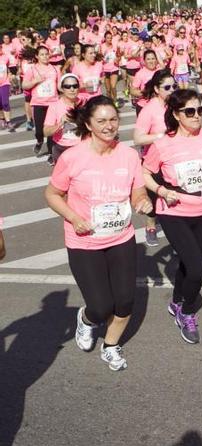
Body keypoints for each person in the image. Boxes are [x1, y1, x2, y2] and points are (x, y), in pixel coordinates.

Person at [44, 95, 153, 371]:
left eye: (113, 119)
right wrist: (73, 217)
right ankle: (87, 320)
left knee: (126, 300)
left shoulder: (128, 155)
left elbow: (137, 190)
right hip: (84, 241)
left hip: (121, 238)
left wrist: (142, 201)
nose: (109, 126)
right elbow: (53, 194)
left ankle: (111, 345)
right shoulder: (72, 157)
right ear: (89, 124)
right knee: (101, 305)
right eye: (101, 121)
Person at [141, 89, 202, 344]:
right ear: (177, 115)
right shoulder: (162, 143)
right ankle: (186, 311)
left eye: (200, 110)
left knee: (187, 263)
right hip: (174, 210)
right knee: (199, 268)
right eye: (189, 111)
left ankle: (177, 300)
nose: (196, 116)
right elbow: (144, 173)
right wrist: (160, 190)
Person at [133, 69, 178, 247]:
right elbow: (138, 138)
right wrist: (161, 136)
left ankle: (175, 230)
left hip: (174, 159)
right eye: (167, 87)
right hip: (154, 161)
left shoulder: (176, 105)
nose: (172, 89)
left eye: (174, 86)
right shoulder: (149, 109)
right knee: (153, 197)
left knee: (174, 194)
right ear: (157, 89)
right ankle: (151, 226)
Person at [22, 45, 60, 157]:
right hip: (38, 104)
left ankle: (51, 153)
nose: (45, 56)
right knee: (39, 131)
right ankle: (39, 141)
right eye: (42, 54)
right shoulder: (32, 69)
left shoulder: (55, 68)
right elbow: (24, 85)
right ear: (37, 56)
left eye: (46, 54)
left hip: (53, 103)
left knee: (50, 130)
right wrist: (35, 81)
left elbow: (59, 86)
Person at [43, 73, 85, 164]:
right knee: (63, 177)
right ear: (62, 89)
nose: (72, 89)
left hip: (81, 147)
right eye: (67, 86)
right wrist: (60, 123)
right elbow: (46, 132)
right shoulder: (54, 106)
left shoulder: (84, 102)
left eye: (75, 86)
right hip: (61, 148)